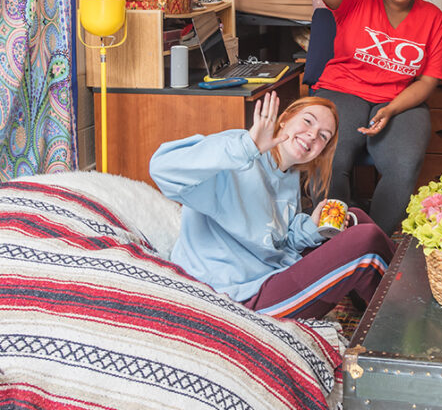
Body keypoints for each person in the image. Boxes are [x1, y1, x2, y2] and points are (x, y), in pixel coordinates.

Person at [150, 92, 396, 319]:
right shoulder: (237, 151)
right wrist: (248, 146)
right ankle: (403, 310)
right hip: (239, 298)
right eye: (308, 121)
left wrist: (311, 227)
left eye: (323, 136)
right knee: (365, 239)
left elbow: (277, 239)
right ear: (285, 119)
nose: (312, 135)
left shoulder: (287, 174)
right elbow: (162, 169)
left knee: (355, 218)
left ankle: (399, 292)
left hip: (271, 274)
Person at [311, 0, 442, 235]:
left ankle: (374, 240)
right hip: (342, 89)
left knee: (404, 164)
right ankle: (333, 237)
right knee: (332, 156)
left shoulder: (434, 19)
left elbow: (428, 80)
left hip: (399, 99)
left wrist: (392, 107)